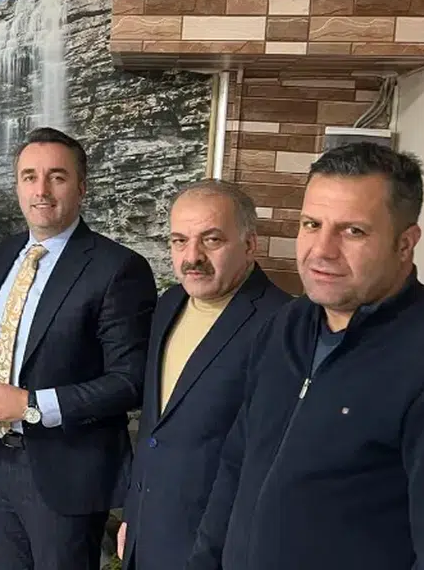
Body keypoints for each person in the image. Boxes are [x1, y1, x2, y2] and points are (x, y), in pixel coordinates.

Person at [187, 142, 424, 570]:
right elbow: (236, 465)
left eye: (353, 231)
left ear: (405, 243)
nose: (322, 250)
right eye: (312, 224)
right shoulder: (284, 328)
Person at [0, 126, 157, 570]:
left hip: (67, 474)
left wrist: (30, 404)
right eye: (29, 177)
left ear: (82, 187)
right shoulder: (9, 253)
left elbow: (130, 381)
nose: (40, 190)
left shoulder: (118, 268)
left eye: (57, 177)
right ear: (17, 185)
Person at [116, 179, 291, 570]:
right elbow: (155, 427)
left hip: (216, 547)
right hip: (148, 532)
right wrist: (133, 513)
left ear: (250, 244)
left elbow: (267, 461)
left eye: (211, 240)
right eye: (179, 241)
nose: (192, 256)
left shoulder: (284, 323)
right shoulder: (170, 303)